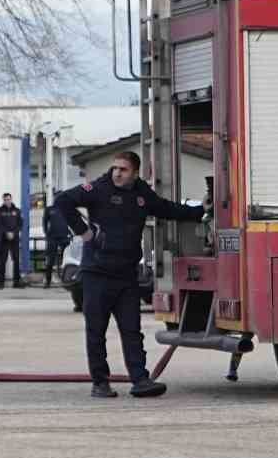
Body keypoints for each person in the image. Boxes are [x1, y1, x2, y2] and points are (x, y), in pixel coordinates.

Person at [48, 151, 201, 399]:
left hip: (126, 275)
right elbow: (63, 201)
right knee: (96, 331)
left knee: (132, 330)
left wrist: (197, 212)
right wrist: (84, 233)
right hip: (97, 273)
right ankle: (100, 382)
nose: (117, 173)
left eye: (124, 169)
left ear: (136, 172)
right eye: (115, 168)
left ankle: (140, 380)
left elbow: (165, 208)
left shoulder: (141, 193)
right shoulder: (98, 188)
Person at [0, 192, 27, 289]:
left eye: (8, 199)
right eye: (5, 200)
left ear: (11, 199)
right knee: (2, 261)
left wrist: (13, 233)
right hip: (3, 239)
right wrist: (6, 233)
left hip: (15, 239)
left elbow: (20, 224)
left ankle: (16, 282)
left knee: (16, 260)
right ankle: (1, 282)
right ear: (3, 200)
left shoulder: (17, 211)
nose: (7, 201)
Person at [42, 191, 69, 288]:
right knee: (50, 260)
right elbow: (44, 222)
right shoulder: (49, 209)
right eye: (57, 197)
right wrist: (46, 233)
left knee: (66, 260)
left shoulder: (67, 209)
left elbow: (73, 221)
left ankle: (66, 281)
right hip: (52, 238)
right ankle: (48, 281)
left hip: (64, 237)